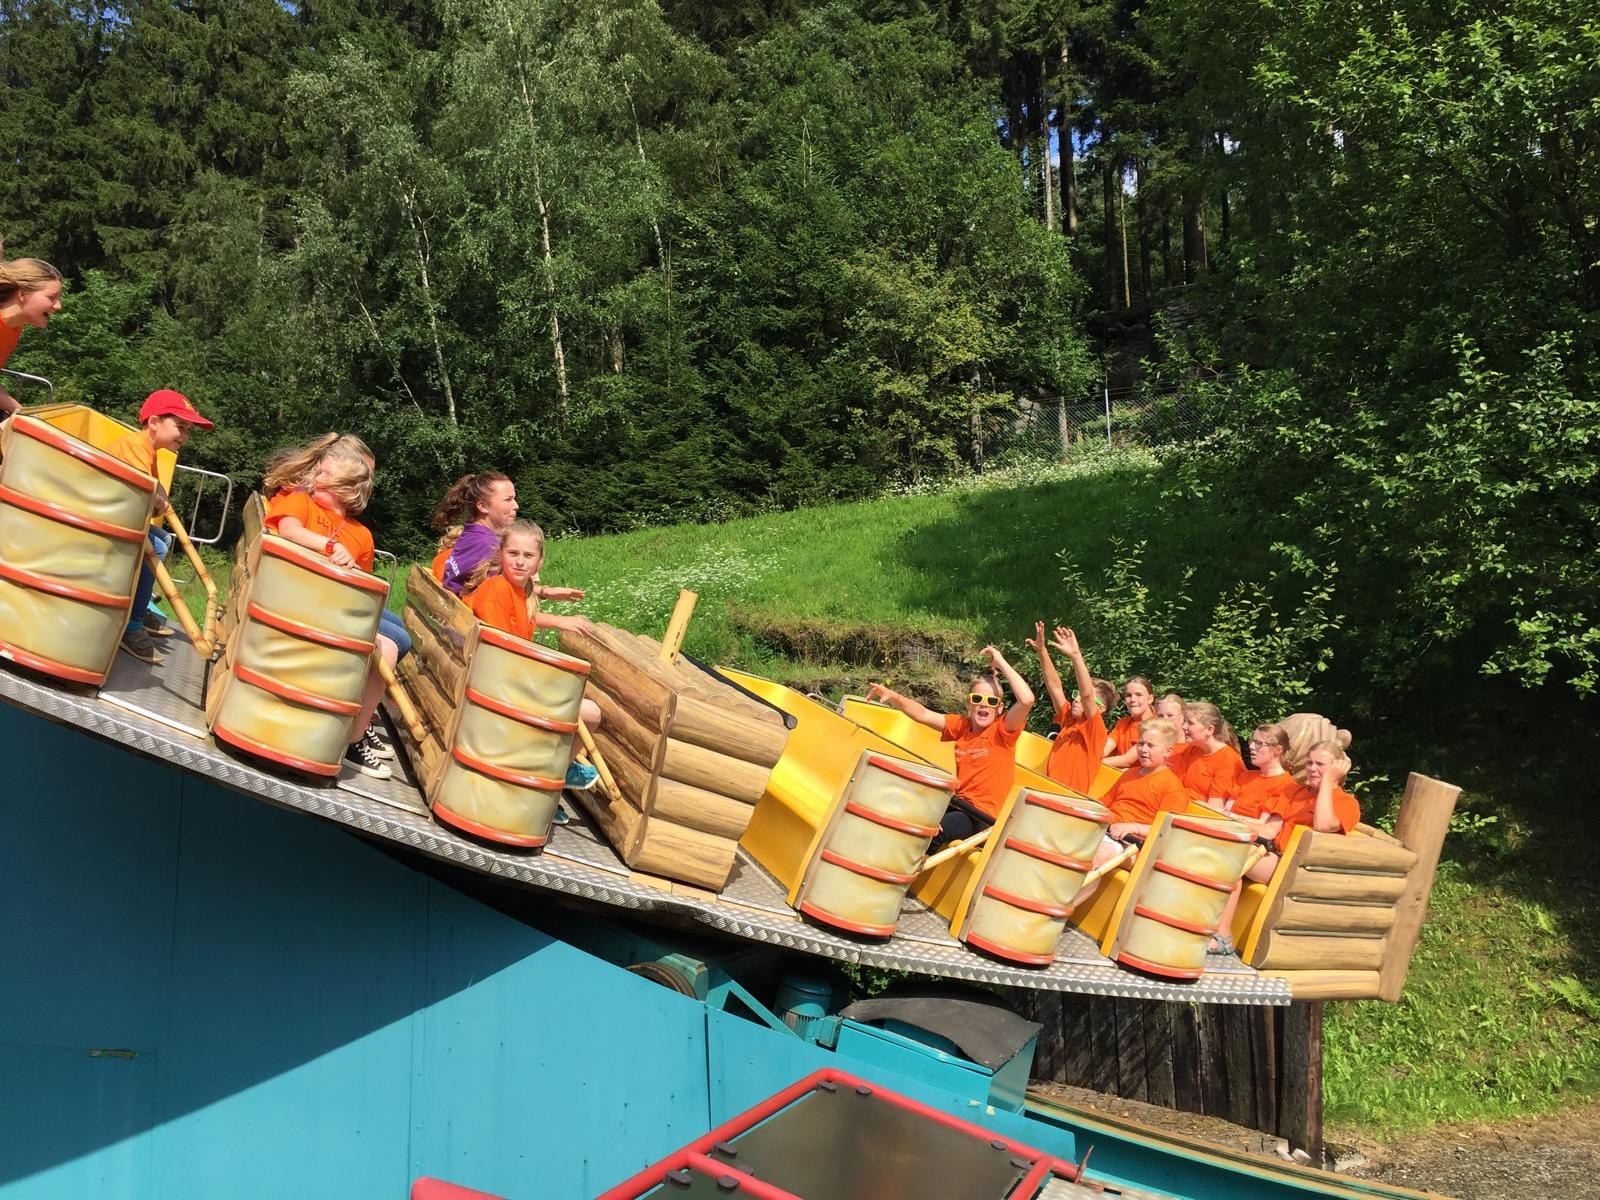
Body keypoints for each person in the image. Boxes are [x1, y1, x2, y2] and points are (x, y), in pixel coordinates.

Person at [263, 444, 397, 781]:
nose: (313, 476)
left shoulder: (361, 535)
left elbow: (364, 588)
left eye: (323, 474)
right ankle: (353, 732)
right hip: (294, 604)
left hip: (333, 615)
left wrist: (351, 565)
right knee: (385, 646)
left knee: (390, 647)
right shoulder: (301, 502)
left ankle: (353, 736)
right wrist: (330, 546)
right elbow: (289, 530)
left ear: (345, 489)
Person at [463, 520, 602, 800]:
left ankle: (552, 772)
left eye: (528, 556)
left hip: (506, 680)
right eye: (513, 553)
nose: (519, 562)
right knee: (590, 713)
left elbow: (523, 620)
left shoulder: (520, 590)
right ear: (501, 553)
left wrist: (560, 621)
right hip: (498, 688)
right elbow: (501, 649)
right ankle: (551, 776)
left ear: (539, 561)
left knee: (579, 698)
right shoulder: (497, 591)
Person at [866, 646, 1035, 850]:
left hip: (981, 818)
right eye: (977, 699)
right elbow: (923, 715)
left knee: (935, 831)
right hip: (958, 805)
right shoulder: (962, 726)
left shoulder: (1002, 731)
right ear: (969, 705)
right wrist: (894, 697)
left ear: (999, 708)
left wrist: (1001, 663)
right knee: (910, 812)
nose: (983, 705)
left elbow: (1027, 700)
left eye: (991, 701)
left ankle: (904, 865)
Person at [1209, 733, 1352, 954]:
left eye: (1320, 765)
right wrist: (1227, 821)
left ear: (1336, 769)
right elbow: (1269, 829)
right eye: (1309, 763)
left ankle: (1223, 938)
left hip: (1301, 869)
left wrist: (1328, 782)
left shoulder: (1346, 802)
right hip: (1274, 857)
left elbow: (1323, 825)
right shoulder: (1294, 791)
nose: (1312, 769)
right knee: (1225, 851)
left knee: (1235, 856)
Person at [106, 390, 214, 663]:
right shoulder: (136, 446)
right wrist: (156, 495)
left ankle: (139, 604)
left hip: (119, 516)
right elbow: (148, 493)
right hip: (106, 518)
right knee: (156, 546)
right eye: (181, 427)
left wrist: (158, 494)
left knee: (163, 538)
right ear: (154, 422)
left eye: (188, 430)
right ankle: (132, 623)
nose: (185, 436)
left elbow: (154, 492)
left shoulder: (147, 449)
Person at [1072, 717, 1186, 908]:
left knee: (1100, 854)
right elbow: (1104, 803)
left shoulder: (1172, 785)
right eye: (1141, 744)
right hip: (1109, 831)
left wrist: (1133, 827)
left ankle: (1062, 909)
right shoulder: (1129, 774)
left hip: (1135, 845)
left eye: (1151, 745)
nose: (1143, 749)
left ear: (1168, 751)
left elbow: (1169, 831)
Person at [1027, 622, 1115, 796]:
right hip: (1047, 791)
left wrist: (1076, 656)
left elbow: (1087, 695)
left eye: (1082, 697)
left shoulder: (1095, 729)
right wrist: (1042, 650)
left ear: (1101, 708)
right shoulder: (1068, 717)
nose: (1077, 699)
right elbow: (1055, 686)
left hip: (1068, 798)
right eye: (1076, 694)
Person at [0, 244, 63, 418]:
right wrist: (21, 412)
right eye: (52, 298)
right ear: (22, 294)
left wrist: (19, 412)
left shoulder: (14, 327)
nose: (58, 306)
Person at [430, 472, 518, 595]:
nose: (516, 506)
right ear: (482, 506)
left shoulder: (471, 533)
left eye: (514, 499)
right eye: (508, 499)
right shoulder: (488, 545)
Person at [1171, 701, 1246, 807]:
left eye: (1190, 723)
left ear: (1210, 730)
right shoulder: (1192, 749)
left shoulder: (1228, 760)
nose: (1184, 727)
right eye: (1184, 722)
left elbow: (1215, 807)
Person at [1102, 675, 1155, 768]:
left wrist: (1092, 762)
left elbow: (1127, 760)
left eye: (1138, 695)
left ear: (1150, 699)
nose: (1133, 700)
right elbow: (1103, 750)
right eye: (1128, 695)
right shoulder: (1123, 723)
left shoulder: (1156, 726)